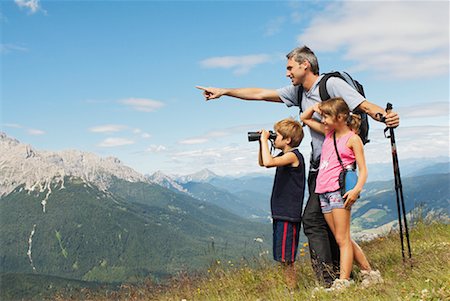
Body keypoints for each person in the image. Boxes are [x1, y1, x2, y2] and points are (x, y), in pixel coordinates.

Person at [196, 45, 399, 287]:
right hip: (318, 169)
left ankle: (331, 280)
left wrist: (385, 117)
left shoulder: (330, 85)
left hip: (337, 171)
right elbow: (261, 93)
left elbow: (362, 105)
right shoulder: (298, 93)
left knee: (313, 221)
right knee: (328, 228)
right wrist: (224, 91)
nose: (287, 73)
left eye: (290, 67)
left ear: (306, 65)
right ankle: (357, 274)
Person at [301, 98, 383, 291]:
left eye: (326, 116)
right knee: (342, 237)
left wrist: (356, 190)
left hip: (339, 192)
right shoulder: (329, 134)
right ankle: (369, 273)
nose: (323, 119)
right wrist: (315, 108)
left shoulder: (353, 139)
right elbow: (304, 119)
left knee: (342, 240)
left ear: (340, 117)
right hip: (323, 192)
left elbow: (363, 169)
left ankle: (343, 282)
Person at [258, 117, 305, 289]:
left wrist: (264, 140)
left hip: (288, 214)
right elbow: (263, 162)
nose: (273, 138)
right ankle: (289, 289)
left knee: (287, 259)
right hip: (281, 213)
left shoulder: (293, 156)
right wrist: (260, 144)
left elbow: (269, 162)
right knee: (282, 257)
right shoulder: (284, 155)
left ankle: (292, 291)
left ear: (287, 140)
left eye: (275, 135)